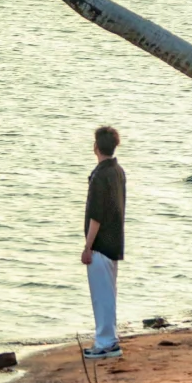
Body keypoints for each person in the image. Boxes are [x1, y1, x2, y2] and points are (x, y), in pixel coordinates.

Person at [81, 125, 126, 360]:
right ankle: (109, 339)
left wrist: (88, 246)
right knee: (108, 293)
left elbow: (96, 216)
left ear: (96, 147)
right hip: (115, 240)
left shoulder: (100, 175)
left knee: (102, 295)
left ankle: (106, 342)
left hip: (101, 243)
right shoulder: (117, 171)